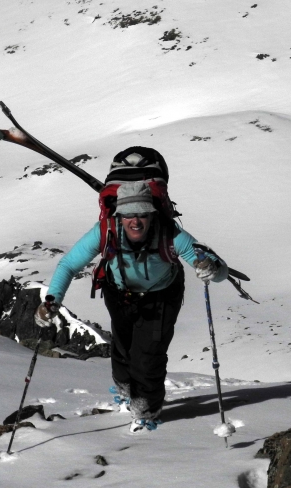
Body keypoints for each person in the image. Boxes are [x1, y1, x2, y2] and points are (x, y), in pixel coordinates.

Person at [34, 148, 228, 434]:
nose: (135, 221)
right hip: (119, 293)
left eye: (142, 215)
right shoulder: (105, 230)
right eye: (128, 215)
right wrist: (51, 301)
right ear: (119, 215)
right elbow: (68, 265)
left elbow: (219, 269)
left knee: (147, 358)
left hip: (162, 297)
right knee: (123, 350)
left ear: (152, 215)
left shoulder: (171, 234)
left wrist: (210, 268)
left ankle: (145, 411)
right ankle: (125, 393)